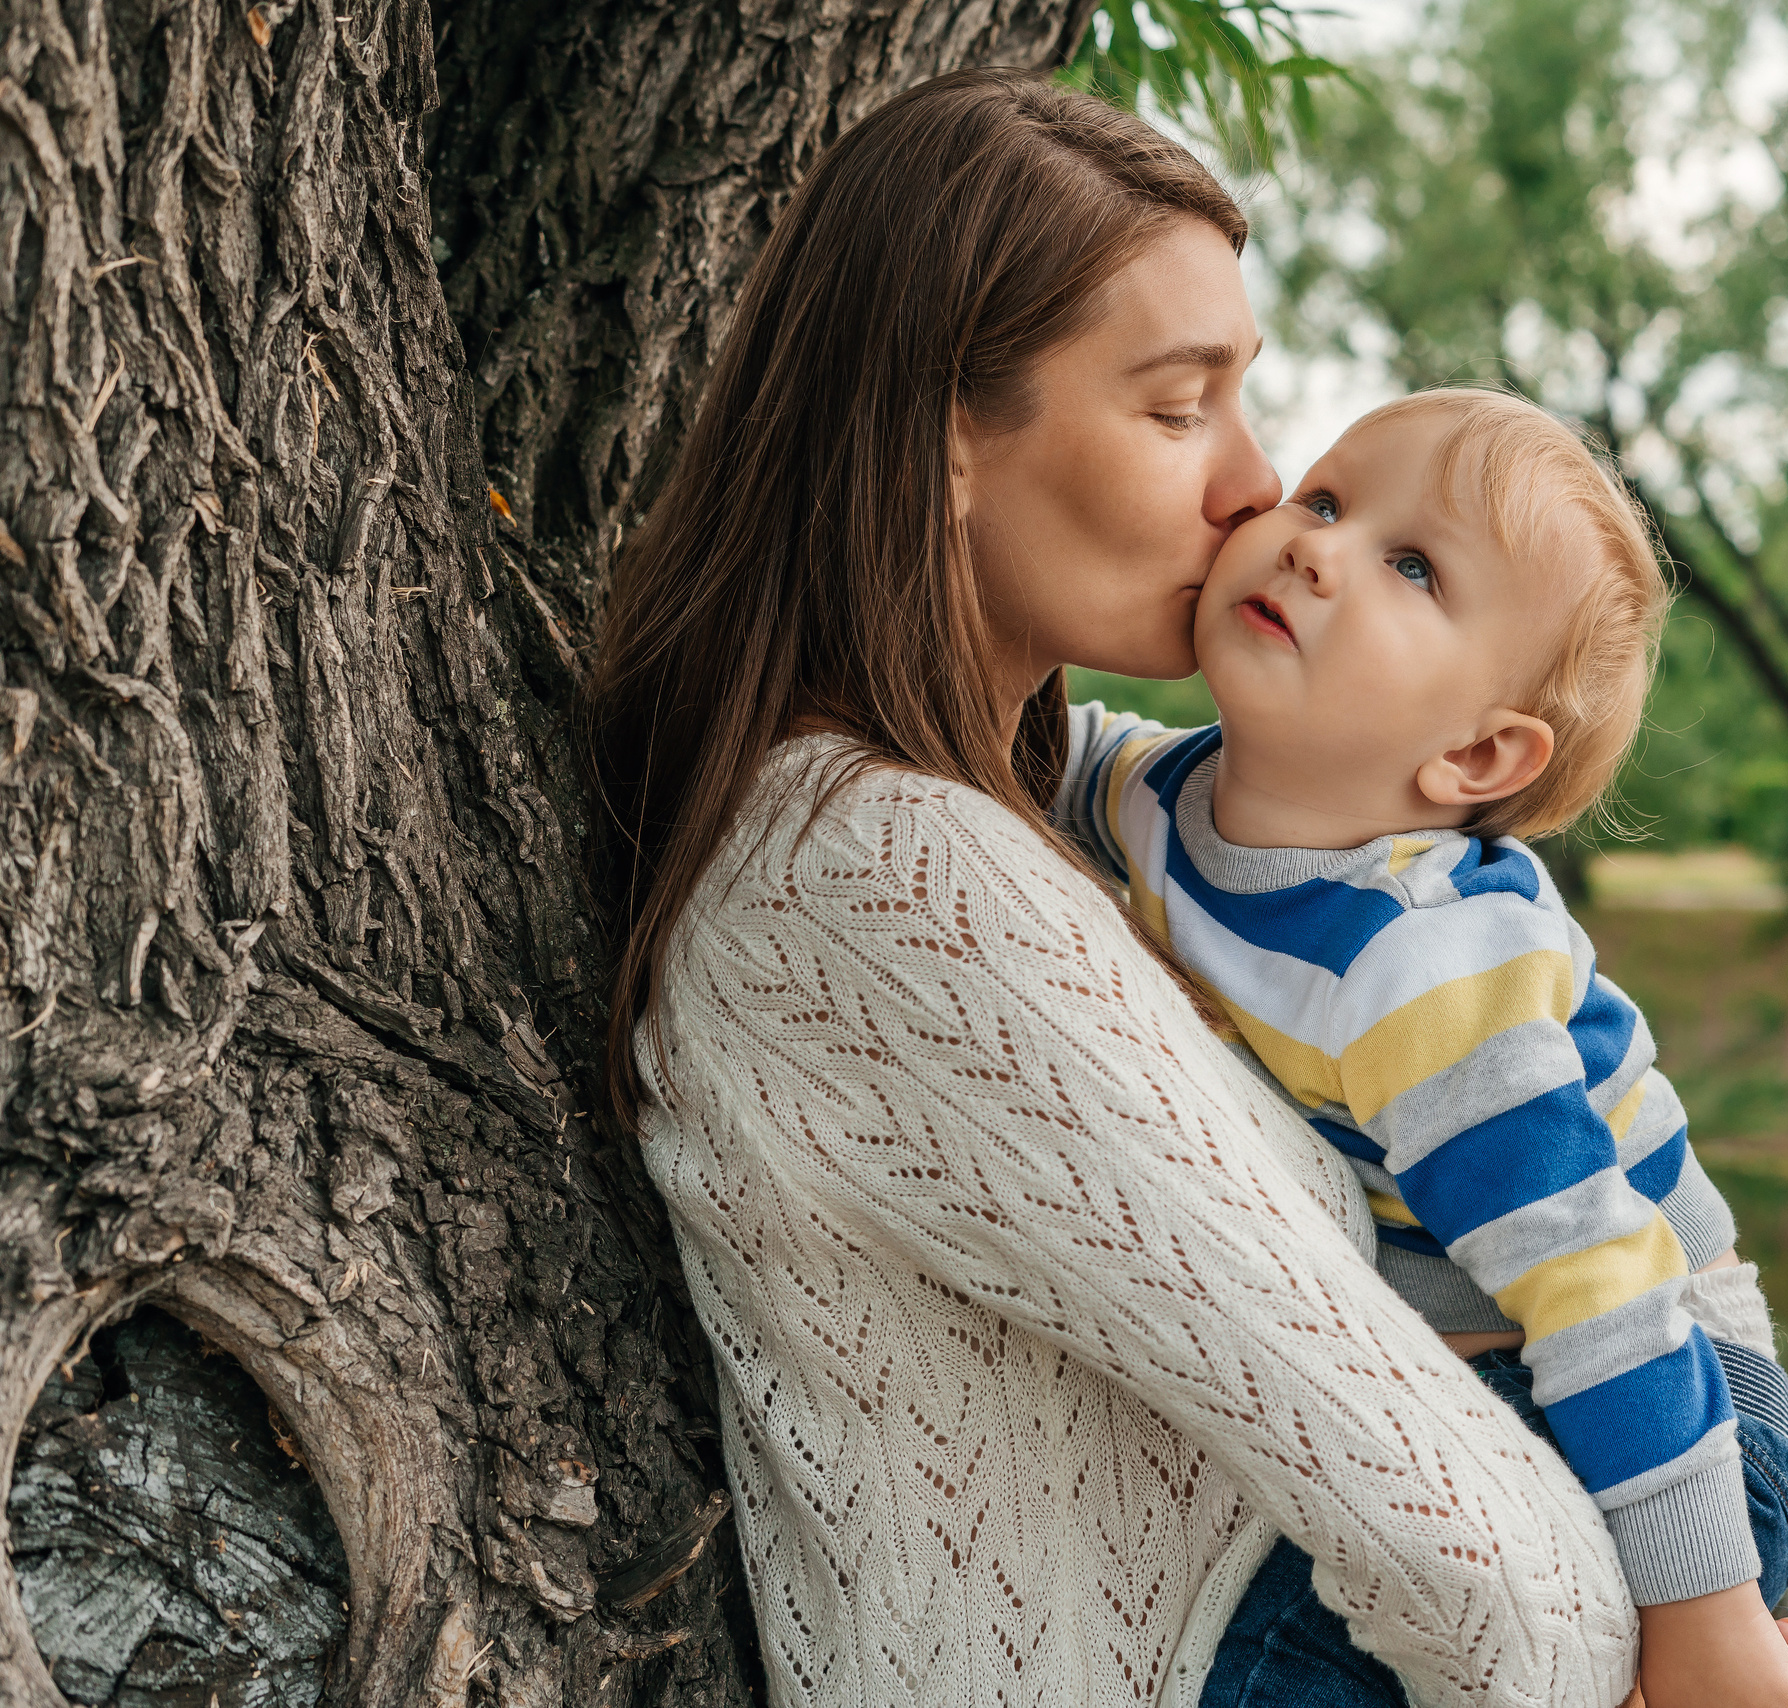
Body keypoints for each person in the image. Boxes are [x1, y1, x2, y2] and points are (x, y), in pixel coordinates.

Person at [586, 70, 1658, 1708]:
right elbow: (1517, 1606)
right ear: (944, 435)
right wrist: (1693, 1608)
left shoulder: (1036, 800)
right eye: (1180, 409)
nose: (1256, 487)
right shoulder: (891, 876)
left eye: (1247, 401)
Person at [1051, 390, 1788, 1708]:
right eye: (1330, 500)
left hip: (1667, 1401)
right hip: (1501, 1354)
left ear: (1476, 753)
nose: (1314, 546)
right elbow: (1017, 750)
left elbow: (1598, 1287)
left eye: (1412, 568)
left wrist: (1705, 1609)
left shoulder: (1429, 966)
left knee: (1277, 1665)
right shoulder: (1160, 794)